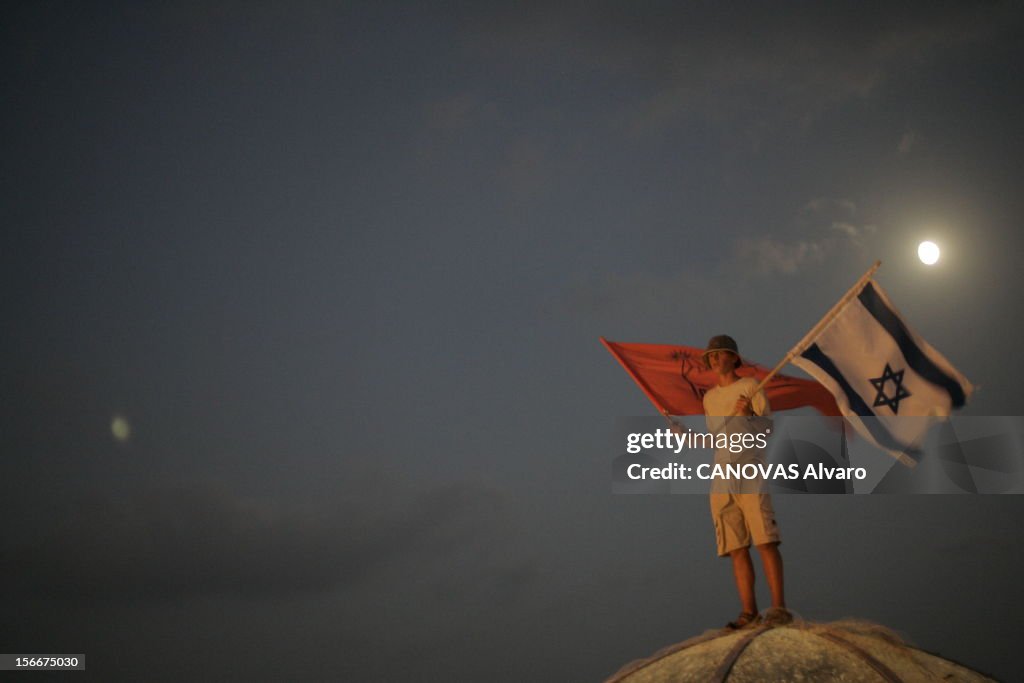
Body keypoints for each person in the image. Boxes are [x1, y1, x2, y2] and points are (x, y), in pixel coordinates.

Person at [701, 335, 792, 629]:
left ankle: (778, 608)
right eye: (711, 356)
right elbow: (716, 438)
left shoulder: (751, 386)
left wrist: (749, 413)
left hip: (749, 471)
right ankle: (748, 612)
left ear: (734, 357)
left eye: (719, 354)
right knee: (736, 546)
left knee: (765, 539)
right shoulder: (709, 398)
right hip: (721, 477)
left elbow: (765, 428)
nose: (714, 360)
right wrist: (682, 434)